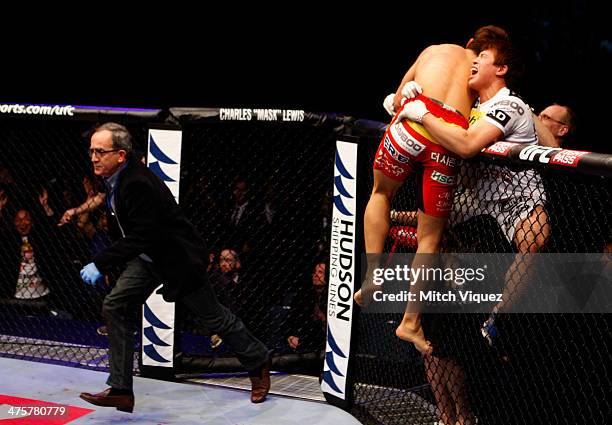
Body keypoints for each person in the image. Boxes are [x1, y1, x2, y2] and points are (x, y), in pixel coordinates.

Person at [77, 123, 271, 413]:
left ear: (120, 155)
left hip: (178, 261)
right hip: (147, 259)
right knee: (114, 306)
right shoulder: (116, 180)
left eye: (100, 152)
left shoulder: (136, 183)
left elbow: (144, 235)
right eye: (91, 151)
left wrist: (101, 260)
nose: (93, 157)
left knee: (215, 319)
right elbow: (130, 232)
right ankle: (120, 389)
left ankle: (258, 361)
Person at [354, 25, 508, 358]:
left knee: (381, 194)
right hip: (449, 136)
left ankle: (373, 273)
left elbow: (397, 101)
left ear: (469, 43)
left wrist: (402, 99)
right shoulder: (480, 76)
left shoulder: (434, 49)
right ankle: (410, 321)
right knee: (430, 239)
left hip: (412, 123)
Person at [399, 33, 551, 317]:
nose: (473, 61)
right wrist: (413, 97)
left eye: (482, 57)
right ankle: (448, 289)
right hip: (477, 193)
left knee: (534, 239)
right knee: (429, 227)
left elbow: (467, 145)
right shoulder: (472, 109)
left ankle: (498, 318)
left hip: (514, 193)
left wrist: (423, 115)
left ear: (501, 69)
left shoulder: (510, 105)